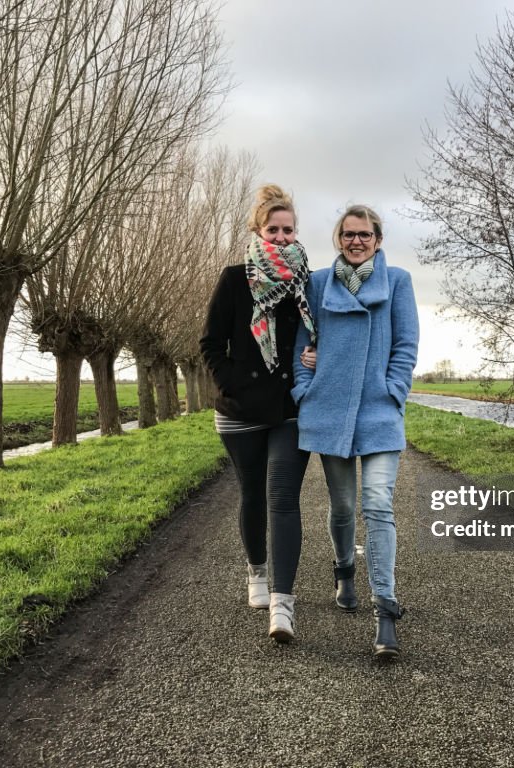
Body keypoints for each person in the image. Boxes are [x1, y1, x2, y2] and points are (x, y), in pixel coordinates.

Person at [292, 205, 419, 658]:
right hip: (330, 411)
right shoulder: (318, 283)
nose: (356, 241)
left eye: (365, 235)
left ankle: (385, 606)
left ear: (378, 239)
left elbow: (406, 344)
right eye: (348, 234)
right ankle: (344, 570)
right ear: (338, 238)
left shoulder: (398, 281)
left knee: (378, 504)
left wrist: (394, 390)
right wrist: (304, 388)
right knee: (343, 506)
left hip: (380, 412)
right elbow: (301, 344)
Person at [200, 184, 316, 643]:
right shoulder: (234, 279)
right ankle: (257, 573)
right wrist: (234, 383)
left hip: (289, 409)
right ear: (258, 231)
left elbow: (318, 334)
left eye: (289, 229)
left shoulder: (307, 282)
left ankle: (283, 606)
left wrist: (315, 355)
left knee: (282, 497)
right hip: (239, 410)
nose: (284, 237)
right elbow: (210, 344)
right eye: (275, 229)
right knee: (251, 492)